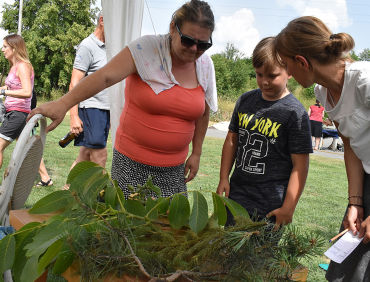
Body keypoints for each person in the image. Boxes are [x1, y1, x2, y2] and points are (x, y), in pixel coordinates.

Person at [28, 0, 217, 198]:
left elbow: (203, 113)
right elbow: (103, 77)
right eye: (188, 40)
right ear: (172, 28)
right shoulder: (146, 49)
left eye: (203, 44)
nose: (195, 49)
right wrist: (63, 104)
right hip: (132, 165)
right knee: (127, 226)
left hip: (174, 170)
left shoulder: (204, 66)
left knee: (169, 226)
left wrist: (196, 153)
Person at [274, 16, 370, 282]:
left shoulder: (365, 81)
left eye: (287, 64)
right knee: (352, 264)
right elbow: (351, 146)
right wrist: (356, 202)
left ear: (302, 61)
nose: (287, 72)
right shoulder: (322, 92)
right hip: (366, 181)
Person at [216, 37, 312, 228]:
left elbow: (299, 166)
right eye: (259, 75)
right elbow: (231, 141)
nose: (265, 82)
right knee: (226, 251)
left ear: (289, 72)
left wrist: (289, 207)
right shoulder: (245, 100)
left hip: (270, 204)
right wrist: (223, 177)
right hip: (237, 196)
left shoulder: (295, 113)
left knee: (259, 256)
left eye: (272, 75)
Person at [67, 10, 109, 182]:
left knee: (84, 155)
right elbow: (74, 83)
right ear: (102, 20)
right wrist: (74, 115)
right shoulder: (87, 46)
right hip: (92, 108)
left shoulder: (110, 47)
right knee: (100, 156)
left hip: (105, 109)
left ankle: (68, 192)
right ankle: (97, 198)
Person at [0, 34, 34, 169]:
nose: (2, 50)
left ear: (14, 48)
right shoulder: (13, 66)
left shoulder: (23, 66)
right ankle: (44, 178)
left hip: (18, 114)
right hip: (13, 112)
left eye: (5, 47)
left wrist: (3, 92)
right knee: (25, 149)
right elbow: (11, 87)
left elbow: (27, 92)